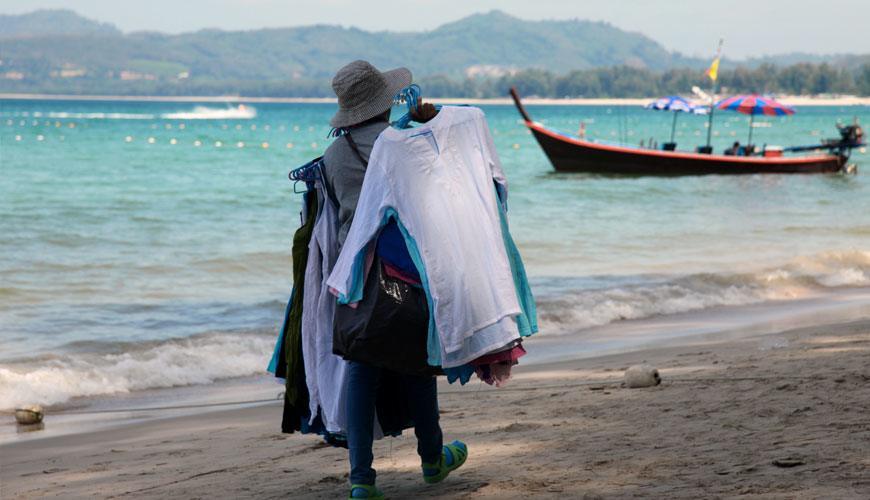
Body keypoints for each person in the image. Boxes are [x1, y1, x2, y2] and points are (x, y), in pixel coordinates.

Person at [322, 60, 468, 500]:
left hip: (355, 272)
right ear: (383, 101)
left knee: (361, 369)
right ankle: (431, 459)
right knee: (418, 364)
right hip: (406, 265)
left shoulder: (334, 155)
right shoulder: (403, 141)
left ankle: (361, 478)